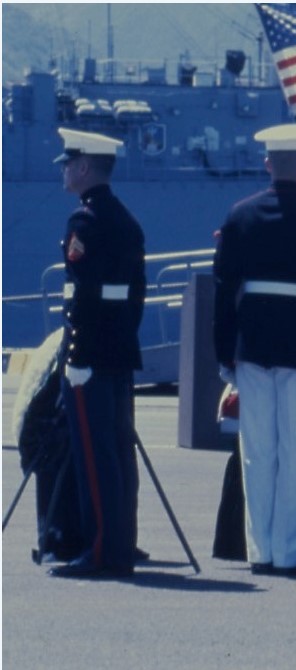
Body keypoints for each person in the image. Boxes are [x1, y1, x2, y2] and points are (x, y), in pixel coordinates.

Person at [213, 123, 296, 575]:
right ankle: (290, 553)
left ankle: (259, 550)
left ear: (269, 164)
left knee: (257, 452)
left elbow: (225, 292)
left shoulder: (239, 216)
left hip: (252, 348)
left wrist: (224, 353)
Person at [48, 128, 146, 579]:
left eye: (69, 163)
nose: (65, 170)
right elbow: (134, 298)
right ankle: (122, 541)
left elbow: (82, 295)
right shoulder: (127, 221)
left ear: (84, 167)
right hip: (120, 352)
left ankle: (103, 550)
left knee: (94, 455)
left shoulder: (83, 223)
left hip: (89, 355)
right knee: (118, 452)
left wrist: (79, 355)